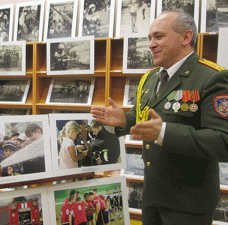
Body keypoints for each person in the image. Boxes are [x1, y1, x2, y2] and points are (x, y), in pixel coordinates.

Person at [91, 10, 228, 225]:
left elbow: (223, 142)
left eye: (159, 36)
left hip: (189, 204)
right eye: (150, 38)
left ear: (186, 37)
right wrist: (124, 121)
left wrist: (164, 133)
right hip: (153, 197)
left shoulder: (212, 77)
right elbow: (143, 118)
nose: (151, 44)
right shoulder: (151, 77)